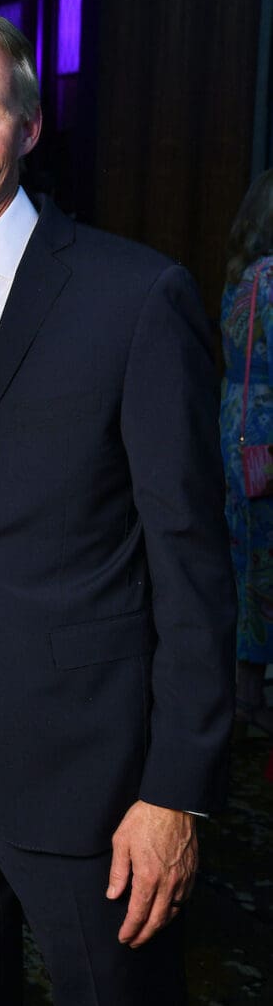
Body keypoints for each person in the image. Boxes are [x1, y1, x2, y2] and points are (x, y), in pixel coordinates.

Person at [0, 5, 236, 1006]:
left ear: (27, 125)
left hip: (94, 781)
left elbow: (193, 564)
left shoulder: (133, 296)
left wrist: (174, 790)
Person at [220, 169, 273, 735]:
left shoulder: (243, 274)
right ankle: (249, 696)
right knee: (262, 560)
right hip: (265, 425)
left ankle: (244, 690)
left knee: (247, 554)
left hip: (238, 418)